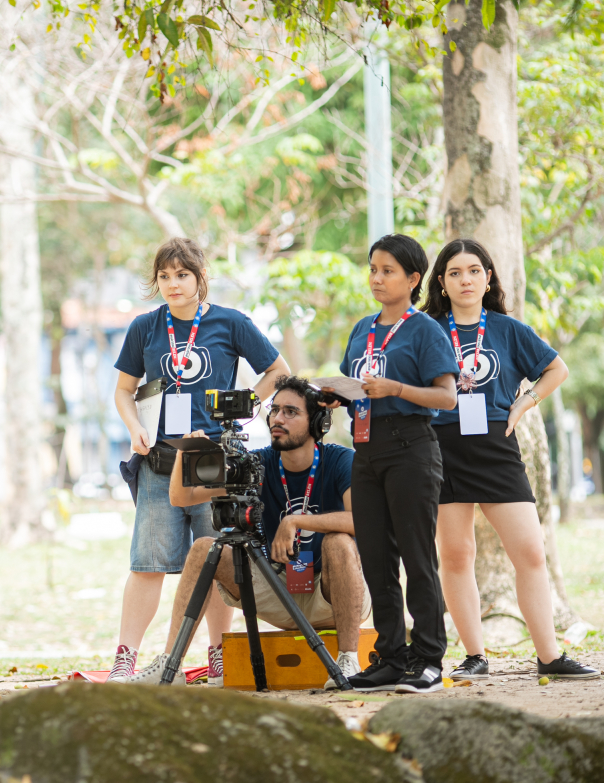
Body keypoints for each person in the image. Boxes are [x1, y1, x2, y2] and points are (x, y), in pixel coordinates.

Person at [108, 237, 289, 683]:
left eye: (182, 275)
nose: (173, 284)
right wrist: (135, 429)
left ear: (200, 277)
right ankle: (125, 658)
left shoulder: (230, 322)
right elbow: (123, 391)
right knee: (147, 564)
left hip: (214, 462)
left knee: (214, 560)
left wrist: (244, 406)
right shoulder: (145, 327)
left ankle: (217, 654)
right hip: (160, 462)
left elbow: (278, 370)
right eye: (165, 276)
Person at [423, 237, 599, 681]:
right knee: (457, 555)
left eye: (474, 271)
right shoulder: (425, 329)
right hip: (441, 448)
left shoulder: (506, 328)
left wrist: (525, 403)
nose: (466, 279)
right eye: (455, 272)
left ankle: (550, 657)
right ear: (441, 282)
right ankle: (474, 656)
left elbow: (556, 368)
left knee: (530, 553)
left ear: (488, 278)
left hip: (496, 449)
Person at [123, 375, 371, 689]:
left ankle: (348, 658)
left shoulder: (339, 460)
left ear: (317, 423)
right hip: (280, 590)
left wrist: (297, 522)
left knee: (338, 542)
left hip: (333, 595)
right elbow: (181, 498)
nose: (278, 418)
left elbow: (363, 520)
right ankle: (169, 665)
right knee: (202, 548)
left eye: (291, 412)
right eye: (275, 409)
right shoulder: (258, 465)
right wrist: (186, 452)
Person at [325, 233, 459, 694]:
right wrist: (331, 397)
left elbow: (446, 396)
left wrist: (397, 389)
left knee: (418, 557)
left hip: (411, 448)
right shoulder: (363, 328)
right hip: (366, 449)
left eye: (388, 271)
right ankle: (389, 657)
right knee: (376, 560)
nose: (377, 279)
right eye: (373, 269)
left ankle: (427, 660)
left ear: (413, 279)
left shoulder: (424, 330)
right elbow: (354, 383)